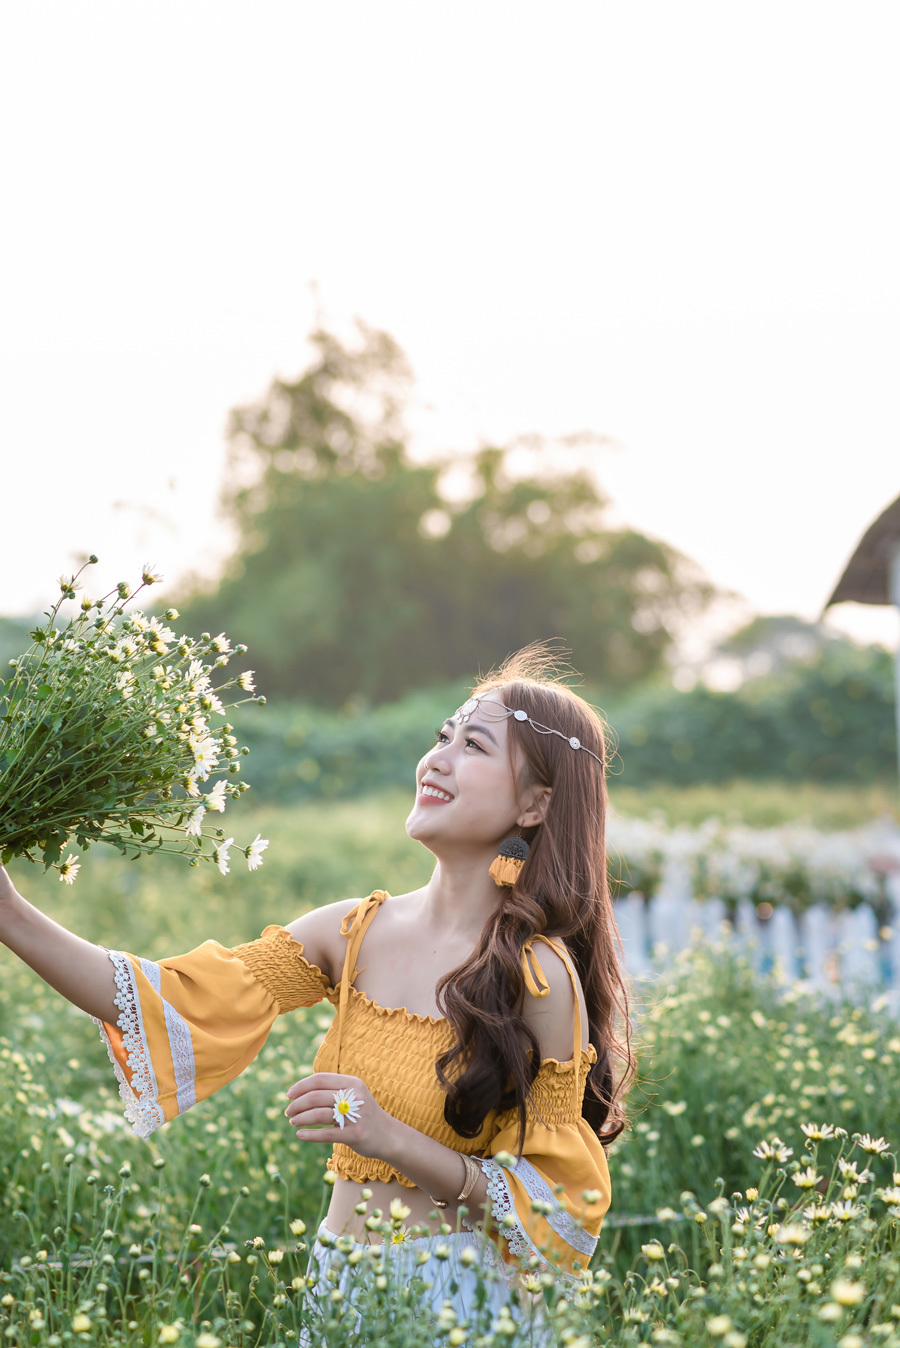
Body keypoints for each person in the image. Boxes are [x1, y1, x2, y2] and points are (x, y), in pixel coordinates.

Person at [0, 647, 632, 1343]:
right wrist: (10, 912)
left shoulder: (536, 974)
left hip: (461, 1299)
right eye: (441, 736)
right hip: (337, 1284)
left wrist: (386, 1136)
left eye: (473, 744)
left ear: (536, 803)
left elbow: (558, 1208)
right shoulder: (351, 931)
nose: (438, 758)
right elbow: (166, 1001)